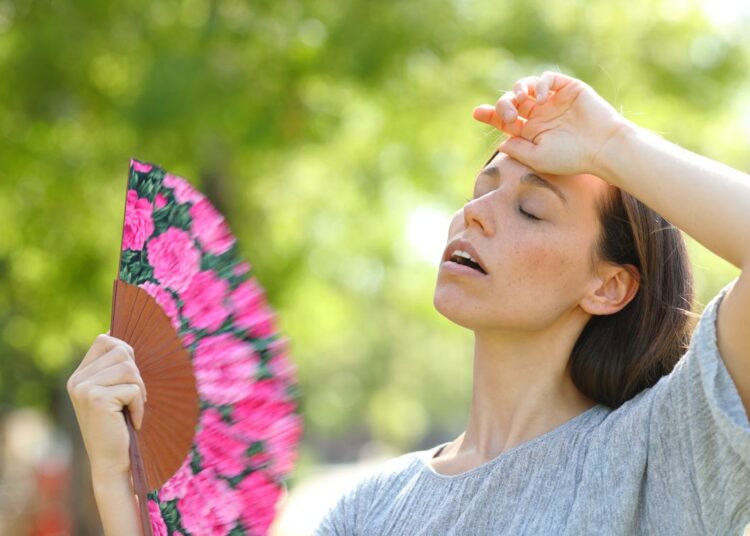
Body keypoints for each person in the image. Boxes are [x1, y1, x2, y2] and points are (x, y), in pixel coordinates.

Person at [67, 71, 750, 535]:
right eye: (482, 187)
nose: (476, 214)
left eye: (532, 209)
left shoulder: (659, 452)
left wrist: (611, 145)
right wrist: (113, 479)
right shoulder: (372, 509)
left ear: (609, 286)